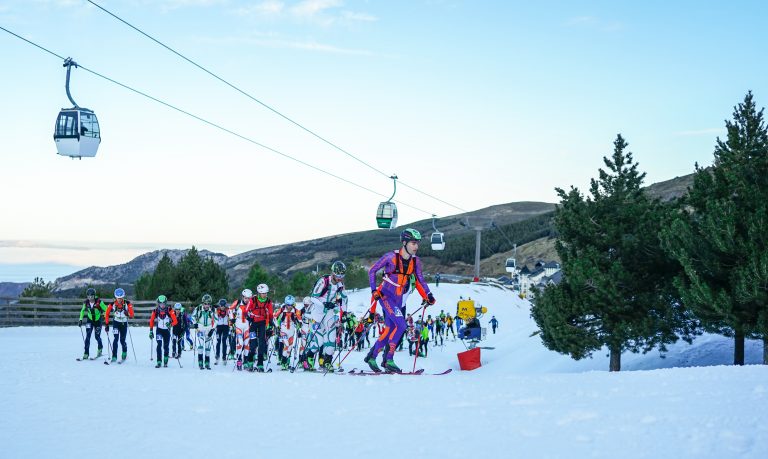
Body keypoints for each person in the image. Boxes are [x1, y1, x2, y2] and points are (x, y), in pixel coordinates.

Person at [364, 228, 436, 373]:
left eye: (417, 244)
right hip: (386, 296)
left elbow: (420, 279)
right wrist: (373, 290)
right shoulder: (390, 257)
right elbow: (372, 270)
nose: (416, 246)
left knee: (390, 329)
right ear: (404, 243)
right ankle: (389, 359)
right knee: (402, 326)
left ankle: (372, 356)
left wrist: (428, 295)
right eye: (413, 243)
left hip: (399, 300)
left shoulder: (415, 261)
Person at [304, 261, 348, 372]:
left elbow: (344, 299)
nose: (340, 278)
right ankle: (307, 359)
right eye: (338, 275)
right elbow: (313, 297)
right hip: (317, 313)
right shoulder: (324, 281)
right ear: (333, 273)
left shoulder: (340, 284)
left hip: (329, 313)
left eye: (342, 275)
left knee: (331, 338)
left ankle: (327, 362)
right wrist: (324, 304)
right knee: (318, 342)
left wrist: (344, 314)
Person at [245, 284, 274, 372]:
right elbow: (246, 310)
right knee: (253, 344)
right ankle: (250, 361)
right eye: (263, 293)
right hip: (253, 323)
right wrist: (248, 317)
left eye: (266, 293)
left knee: (262, 344)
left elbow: (271, 313)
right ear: (259, 293)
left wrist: (271, 323)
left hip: (262, 323)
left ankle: (260, 364)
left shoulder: (268, 301)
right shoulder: (253, 300)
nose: (265, 295)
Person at [104, 288, 134, 363]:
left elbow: (132, 315)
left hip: (123, 323)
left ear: (123, 297)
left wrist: (128, 314)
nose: (119, 300)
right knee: (115, 339)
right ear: (115, 297)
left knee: (122, 340)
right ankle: (114, 356)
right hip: (116, 323)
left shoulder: (128, 303)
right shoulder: (112, 304)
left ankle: (124, 352)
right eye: (118, 298)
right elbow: (106, 314)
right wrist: (107, 324)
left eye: (121, 298)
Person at [149, 295, 178, 368]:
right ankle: (159, 361)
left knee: (166, 346)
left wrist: (170, 324)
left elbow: (175, 321)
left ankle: (165, 360)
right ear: (158, 303)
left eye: (163, 303)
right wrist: (151, 331)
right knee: (159, 345)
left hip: (166, 331)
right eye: (160, 303)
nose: (162, 305)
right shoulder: (155, 311)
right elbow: (151, 320)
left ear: (166, 303)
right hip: (159, 330)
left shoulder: (170, 310)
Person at [78, 287, 107, 360]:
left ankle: (100, 349)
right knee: (88, 337)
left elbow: (107, 309)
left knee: (97, 336)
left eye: (91, 296)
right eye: (88, 296)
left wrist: (104, 315)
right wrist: (80, 319)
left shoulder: (99, 302)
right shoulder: (86, 302)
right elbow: (82, 311)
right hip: (90, 320)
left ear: (94, 295)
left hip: (98, 320)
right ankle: (86, 353)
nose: (90, 298)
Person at [275, 295, 301, 370]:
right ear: (285, 304)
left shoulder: (296, 311)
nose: (289, 307)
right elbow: (274, 317)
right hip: (283, 331)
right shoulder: (282, 310)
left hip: (291, 331)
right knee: (286, 345)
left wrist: (299, 329)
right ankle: (283, 362)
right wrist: (277, 326)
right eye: (288, 305)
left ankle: (287, 362)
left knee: (289, 348)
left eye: (291, 305)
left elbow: (300, 321)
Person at [229, 289, 252, 370]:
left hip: (247, 326)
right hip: (238, 326)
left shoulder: (251, 304)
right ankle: (239, 361)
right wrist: (232, 319)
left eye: (249, 298)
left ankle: (245, 361)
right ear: (242, 297)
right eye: (245, 298)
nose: (247, 300)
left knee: (246, 344)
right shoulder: (238, 302)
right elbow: (230, 309)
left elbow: (253, 314)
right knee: (240, 343)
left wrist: (251, 318)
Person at [192, 294, 216, 370]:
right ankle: (200, 362)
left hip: (209, 328)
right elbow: (193, 317)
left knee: (208, 347)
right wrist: (195, 324)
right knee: (201, 346)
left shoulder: (213, 309)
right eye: (205, 304)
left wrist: (212, 329)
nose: (207, 305)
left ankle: (207, 362)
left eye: (208, 304)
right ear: (202, 303)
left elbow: (216, 320)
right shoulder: (198, 308)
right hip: (200, 328)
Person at [214, 298, 231, 365]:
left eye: (223, 306)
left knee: (224, 341)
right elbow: (214, 318)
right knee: (218, 341)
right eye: (221, 306)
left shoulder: (228, 310)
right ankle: (217, 357)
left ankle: (224, 357)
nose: (222, 307)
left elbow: (231, 316)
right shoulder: (217, 310)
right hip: (219, 327)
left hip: (226, 327)